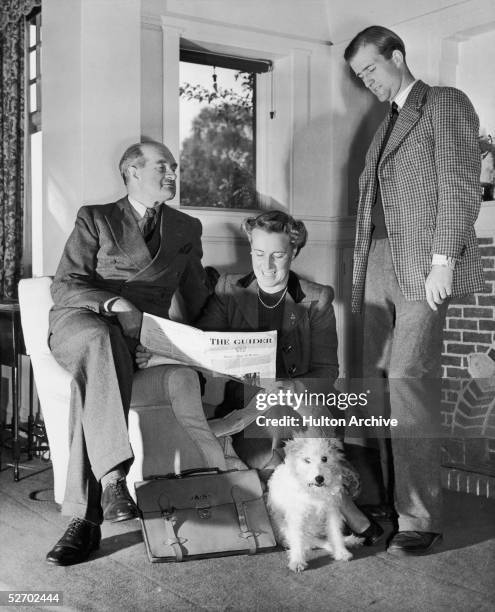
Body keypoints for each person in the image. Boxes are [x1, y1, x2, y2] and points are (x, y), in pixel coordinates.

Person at [139, 210, 384, 544]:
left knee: (290, 415)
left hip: (303, 405)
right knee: (277, 426)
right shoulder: (229, 289)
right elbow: (200, 344)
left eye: (278, 255)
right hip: (252, 409)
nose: (266, 266)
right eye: (258, 254)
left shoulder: (317, 297)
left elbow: (328, 372)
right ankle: (345, 508)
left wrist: (291, 387)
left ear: (294, 252)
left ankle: (314, 515)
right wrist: (159, 351)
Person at [45, 141, 227, 566]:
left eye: (174, 167)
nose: (172, 174)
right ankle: (113, 475)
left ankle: (84, 523)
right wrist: (117, 305)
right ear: (131, 172)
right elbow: (65, 284)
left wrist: (221, 341)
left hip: (137, 338)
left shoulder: (186, 227)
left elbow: (199, 296)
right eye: (162, 166)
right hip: (81, 322)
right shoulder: (96, 217)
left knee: (95, 375)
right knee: (99, 343)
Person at [344, 26, 484, 555]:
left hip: (424, 264)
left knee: (409, 380)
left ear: (397, 57)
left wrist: (444, 258)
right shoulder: (384, 126)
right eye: (360, 77)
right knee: (378, 381)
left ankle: (420, 517)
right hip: (379, 262)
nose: (367, 82)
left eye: (372, 70)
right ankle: (389, 499)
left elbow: (460, 181)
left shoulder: (443, 102)